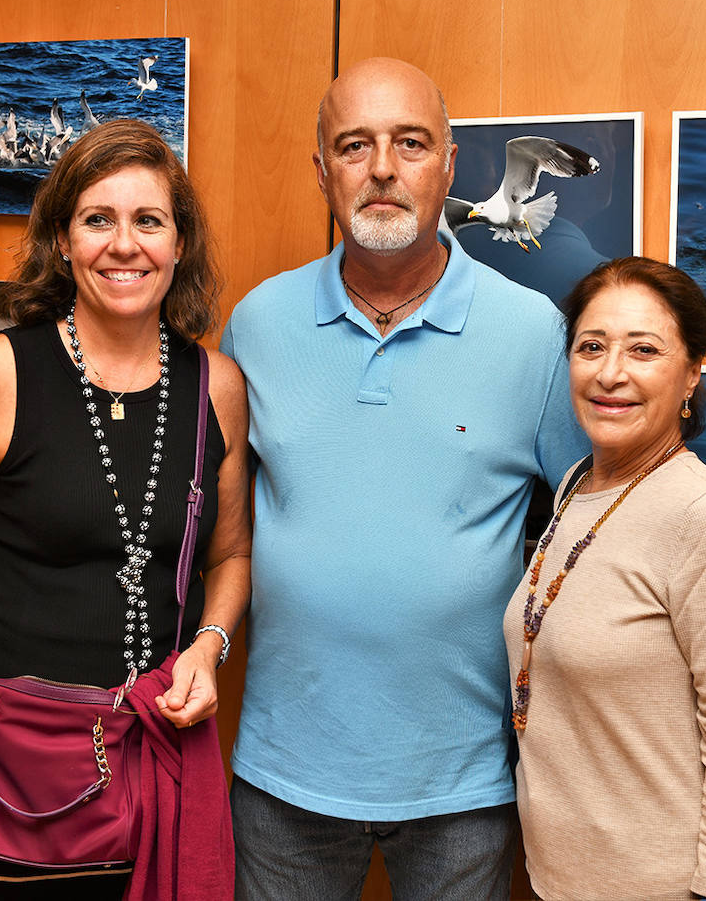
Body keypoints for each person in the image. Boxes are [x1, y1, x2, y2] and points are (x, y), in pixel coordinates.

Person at [219, 57, 588, 899]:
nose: (383, 168)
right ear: (323, 172)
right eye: (355, 146)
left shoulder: (533, 333)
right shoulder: (259, 323)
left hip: (466, 786)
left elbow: (592, 527)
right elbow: (220, 530)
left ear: (450, 165)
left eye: (410, 143)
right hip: (284, 779)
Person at [0, 119, 250, 900]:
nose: (125, 245)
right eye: (97, 220)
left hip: (157, 768)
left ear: (179, 245)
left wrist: (208, 648)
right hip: (9, 775)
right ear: (63, 241)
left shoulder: (217, 386)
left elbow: (231, 555)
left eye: (149, 221)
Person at [504, 256, 706, 900]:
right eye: (590, 347)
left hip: (654, 885)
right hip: (556, 877)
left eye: (644, 350)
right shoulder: (575, 485)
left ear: (691, 374)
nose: (610, 373)